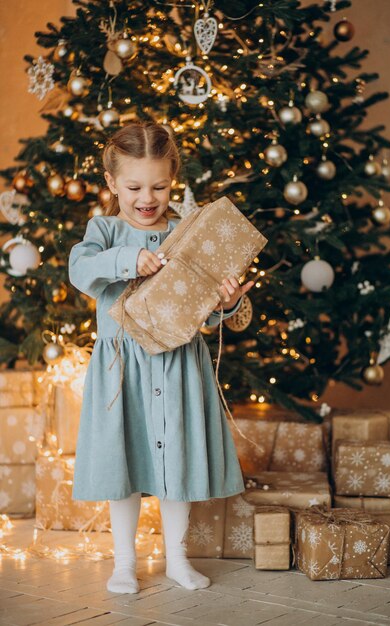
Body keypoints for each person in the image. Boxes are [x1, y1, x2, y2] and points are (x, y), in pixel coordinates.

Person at [68, 122, 255, 595]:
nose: (146, 197)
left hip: (178, 367)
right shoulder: (105, 230)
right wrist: (128, 260)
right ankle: (124, 564)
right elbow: (80, 269)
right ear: (112, 183)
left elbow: (206, 316)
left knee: (177, 464)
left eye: (160, 185)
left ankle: (177, 559)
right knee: (123, 465)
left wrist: (225, 302)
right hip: (122, 371)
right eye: (133, 187)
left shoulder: (185, 233)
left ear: (174, 179)